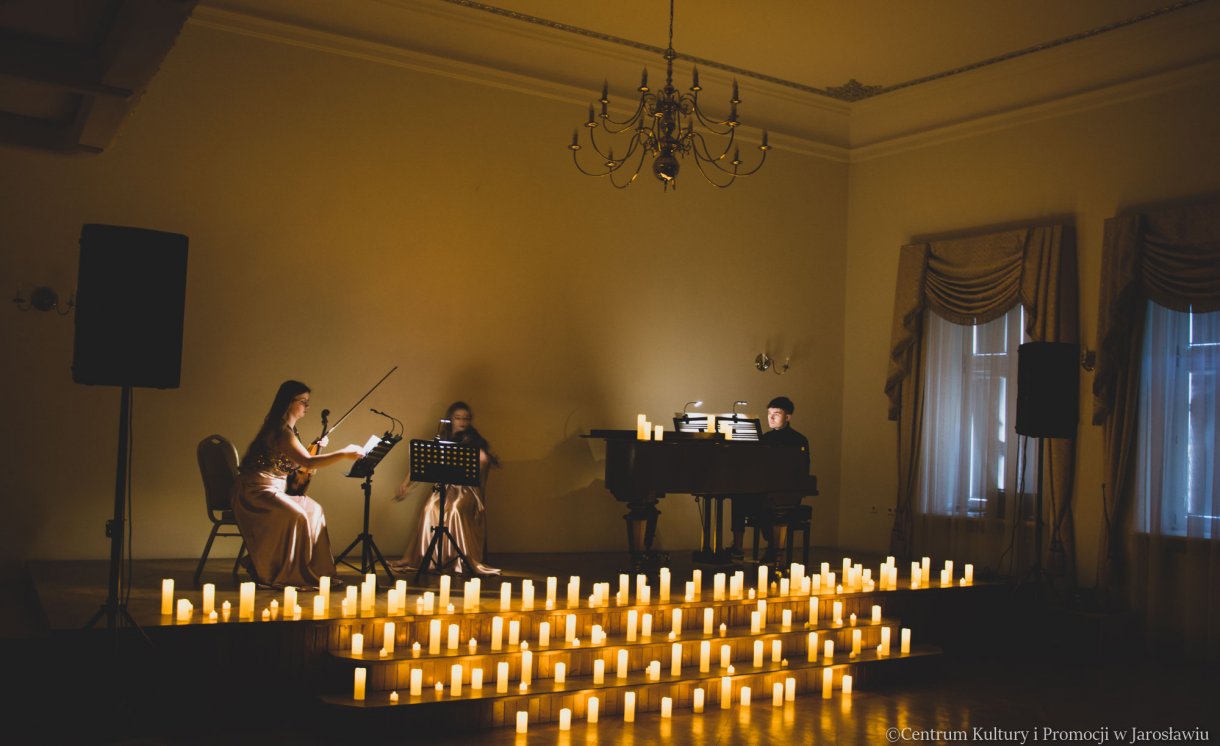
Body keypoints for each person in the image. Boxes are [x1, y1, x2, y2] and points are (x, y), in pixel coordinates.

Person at [230, 380, 364, 589]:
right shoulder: (280, 431)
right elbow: (306, 462)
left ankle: (320, 573)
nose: (307, 407)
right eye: (303, 401)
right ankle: (286, 573)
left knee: (314, 510)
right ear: (288, 402)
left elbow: (296, 461)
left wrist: (313, 447)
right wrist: (344, 454)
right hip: (255, 492)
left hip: (274, 490)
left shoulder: (290, 431)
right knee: (297, 515)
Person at [391, 401, 502, 576]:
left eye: (466, 418)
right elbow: (422, 462)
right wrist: (405, 484)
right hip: (444, 488)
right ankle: (431, 558)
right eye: (458, 418)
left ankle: (457, 558)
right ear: (451, 419)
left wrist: (478, 456)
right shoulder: (441, 438)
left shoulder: (475, 440)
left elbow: (484, 462)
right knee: (430, 508)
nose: (462, 422)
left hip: (467, 490)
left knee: (455, 510)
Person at [728, 395, 811, 561]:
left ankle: (774, 548)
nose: (771, 417)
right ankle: (737, 547)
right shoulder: (764, 438)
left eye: (777, 414)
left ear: (788, 417)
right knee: (739, 497)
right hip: (766, 488)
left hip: (787, 491)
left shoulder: (799, 440)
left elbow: (802, 469)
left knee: (769, 502)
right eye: (769, 413)